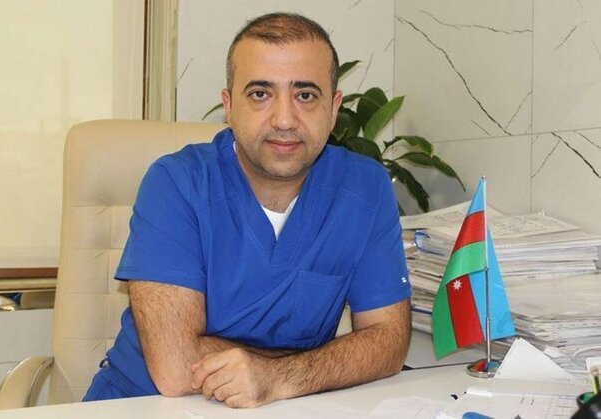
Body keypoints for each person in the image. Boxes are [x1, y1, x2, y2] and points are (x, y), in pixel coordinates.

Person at [83, 12, 411, 408]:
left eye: (306, 95)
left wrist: (276, 376)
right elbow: (175, 368)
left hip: (287, 405)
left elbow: (389, 341)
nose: (285, 120)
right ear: (229, 106)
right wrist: (314, 364)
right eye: (260, 94)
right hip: (142, 405)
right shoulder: (177, 183)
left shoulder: (365, 187)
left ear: (333, 108)